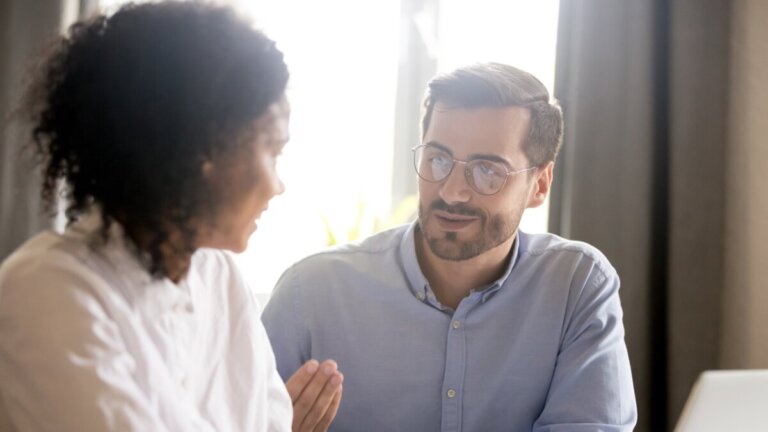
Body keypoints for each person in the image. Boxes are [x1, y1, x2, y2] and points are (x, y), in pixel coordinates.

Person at [0, 3, 342, 431]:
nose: (278, 186)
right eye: (272, 151)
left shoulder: (221, 278)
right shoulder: (47, 288)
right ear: (202, 148)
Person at [263, 62, 637, 431]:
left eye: (487, 170)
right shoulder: (308, 294)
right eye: (438, 159)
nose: (452, 192)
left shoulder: (576, 286)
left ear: (539, 185)